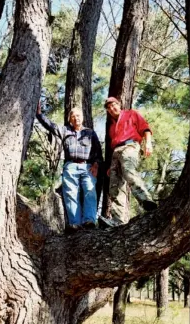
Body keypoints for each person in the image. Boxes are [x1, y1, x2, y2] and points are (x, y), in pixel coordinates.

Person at [36, 103, 102, 233]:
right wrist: (39, 115)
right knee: (70, 194)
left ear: (82, 117)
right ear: (69, 119)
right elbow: (50, 126)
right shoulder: (65, 130)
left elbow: (98, 152)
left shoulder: (90, 132)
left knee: (90, 191)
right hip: (70, 166)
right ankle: (75, 223)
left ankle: (89, 221)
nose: (76, 118)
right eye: (73, 116)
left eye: (78, 116)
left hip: (87, 166)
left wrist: (96, 165)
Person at [99, 96, 157, 228]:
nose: (112, 109)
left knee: (128, 171)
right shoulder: (112, 127)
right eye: (109, 108)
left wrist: (148, 143)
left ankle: (147, 201)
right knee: (114, 185)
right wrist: (111, 166)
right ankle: (118, 220)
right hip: (116, 153)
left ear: (119, 104)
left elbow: (145, 129)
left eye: (113, 105)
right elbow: (113, 145)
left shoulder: (132, 114)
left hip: (130, 146)